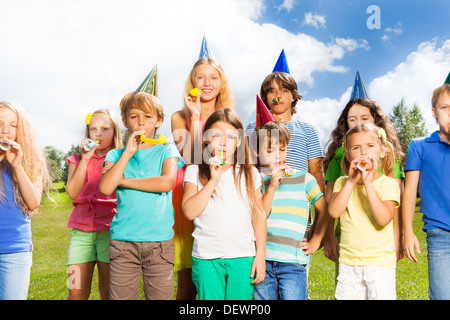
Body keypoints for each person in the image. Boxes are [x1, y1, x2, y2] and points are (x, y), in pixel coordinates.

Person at [99, 91, 184, 300]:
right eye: (134, 116)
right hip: (123, 243)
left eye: (148, 116)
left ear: (159, 120)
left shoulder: (167, 150)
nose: (141, 122)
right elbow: (106, 188)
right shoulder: (115, 155)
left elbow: (166, 183)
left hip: (159, 243)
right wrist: (128, 152)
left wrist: (125, 181)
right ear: (125, 121)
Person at [182, 108, 266, 300]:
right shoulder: (194, 171)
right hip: (206, 258)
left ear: (238, 141)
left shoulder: (250, 173)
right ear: (205, 138)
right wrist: (213, 180)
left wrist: (260, 255)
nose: (222, 142)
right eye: (216, 135)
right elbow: (189, 211)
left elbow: (259, 216)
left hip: (243, 257)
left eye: (230, 137)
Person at [171, 57, 235, 299]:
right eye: (201, 77)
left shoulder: (228, 116)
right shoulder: (180, 117)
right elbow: (192, 156)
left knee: (221, 270)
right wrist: (196, 116)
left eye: (214, 77)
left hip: (222, 190)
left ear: (222, 83)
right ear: (192, 82)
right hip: (190, 188)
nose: (207, 83)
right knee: (188, 279)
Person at [249, 121, 329, 300]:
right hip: (263, 260)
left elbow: (325, 210)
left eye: (282, 148)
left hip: (293, 262)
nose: (278, 155)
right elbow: (260, 214)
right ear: (256, 152)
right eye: (270, 150)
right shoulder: (258, 182)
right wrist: (271, 189)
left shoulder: (304, 179)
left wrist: (316, 240)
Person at [323, 98, 405, 263]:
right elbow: (330, 201)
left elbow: (395, 206)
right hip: (348, 243)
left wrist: (398, 238)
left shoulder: (389, 158)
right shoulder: (338, 158)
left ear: (375, 120)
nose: (357, 123)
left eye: (364, 118)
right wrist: (329, 236)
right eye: (352, 119)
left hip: (380, 246)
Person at [328, 122, 400, 300]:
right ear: (348, 154)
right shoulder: (342, 183)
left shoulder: (388, 184)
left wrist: (368, 183)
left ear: (382, 151)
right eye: (356, 147)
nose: (363, 152)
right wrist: (351, 182)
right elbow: (334, 212)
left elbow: (383, 218)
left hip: (380, 264)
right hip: (349, 264)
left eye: (370, 146)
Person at [65, 109, 122, 300]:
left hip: (110, 231)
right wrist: (86, 159)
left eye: (105, 129)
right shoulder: (76, 160)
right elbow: (72, 192)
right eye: (93, 129)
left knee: (108, 292)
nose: (98, 133)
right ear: (87, 132)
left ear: (115, 132)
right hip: (80, 234)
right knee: (75, 292)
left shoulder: (122, 159)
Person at [402, 83, 450, 300]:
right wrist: (408, 231)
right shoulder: (419, 146)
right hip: (440, 235)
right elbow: (409, 191)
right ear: (434, 112)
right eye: (445, 107)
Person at [0, 101, 52, 300]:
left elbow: (33, 203)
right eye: (0, 123)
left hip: (15, 249)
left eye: (13, 125)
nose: (6, 130)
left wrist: (17, 166)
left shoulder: (32, 160)